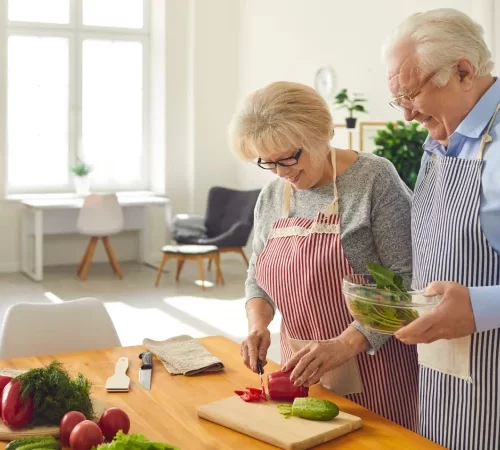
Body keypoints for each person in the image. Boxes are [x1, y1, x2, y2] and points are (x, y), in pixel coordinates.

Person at [228, 80, 419, 430]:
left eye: (289, 157)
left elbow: (406, 282)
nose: (282, 173)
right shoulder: (272, 196)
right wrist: (258, 325)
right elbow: (258, 277)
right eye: (268, 163)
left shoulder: (374, 179)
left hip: (375, 371)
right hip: (300, 372)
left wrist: (344, 345)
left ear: (322, 133)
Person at [382, 8, 500, 449]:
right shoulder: (440, 141)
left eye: (410, 94)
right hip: (442, 386)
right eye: (398, 100)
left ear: (464, 72)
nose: (408, 115)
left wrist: (482, 307)